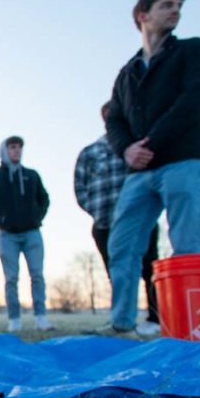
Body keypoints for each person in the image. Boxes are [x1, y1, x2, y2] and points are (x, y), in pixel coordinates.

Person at [103, 0, 200, 335]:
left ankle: (190, 326)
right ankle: (121, 322)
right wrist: (126, 150)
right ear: (143, 15)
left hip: (185, 161)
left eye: (178, 6)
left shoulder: (195, 51)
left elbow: (195, 99)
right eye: (166, 5)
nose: (175, 11)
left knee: (187, 243)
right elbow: (115, 119)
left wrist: (151, 142)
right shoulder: (128, 72)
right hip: (140, 172)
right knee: (122, 244)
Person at [74, 102, 160, 335]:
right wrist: (95, 209)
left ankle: (155, 317)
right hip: (105, 222)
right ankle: (121, 318)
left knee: (149, 269)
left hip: (141, 220)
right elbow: (80, 187)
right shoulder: (91, 152)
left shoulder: (139, 147)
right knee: (117, 270)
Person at [0, 136, 53, 332]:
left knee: (37, 275)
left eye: (19, 147)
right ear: (4, 150)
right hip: (7, 236)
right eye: (12, 147)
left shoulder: (32, 176)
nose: (16, 151)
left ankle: (41, 318)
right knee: (11, 278)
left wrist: (37, 217)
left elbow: (44, 199)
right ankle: (14, 320)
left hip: (32, 234)